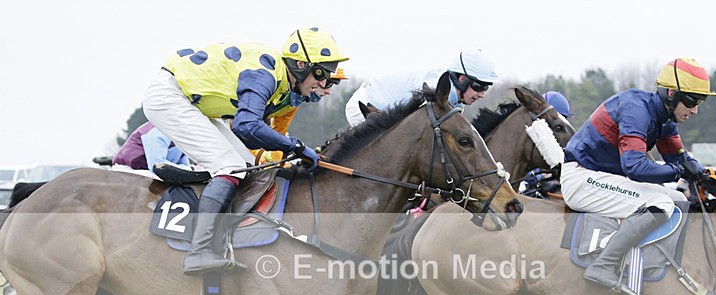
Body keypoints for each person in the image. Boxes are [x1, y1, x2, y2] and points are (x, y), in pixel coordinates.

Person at [143, 27, 348, 274]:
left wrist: (290, 152)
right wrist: (296, 146)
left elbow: (248, 137)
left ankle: (224, 234)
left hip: (197, 105)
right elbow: (247, 125)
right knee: (231, 166)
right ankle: (199, 252)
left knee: (246, 167)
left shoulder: (283, 88)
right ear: (299, 64)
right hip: (170, 95)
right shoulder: (266, 73)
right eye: (320, 73)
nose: (324, 83)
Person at [559, 58, 716, 295]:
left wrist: (708, 176)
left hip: (603, 178)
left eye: (700, 102)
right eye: (692, 101)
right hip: (582, 178)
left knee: (678, 199)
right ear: (672, 94)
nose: (695, 110)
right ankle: (604, 265)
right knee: (661, 204)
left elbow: (681, 159)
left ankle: (653, 268)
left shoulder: (665, 119)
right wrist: (680, 171)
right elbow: (635, 167)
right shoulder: (636, 109)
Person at [345, 49, 499, 127]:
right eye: (479, 86)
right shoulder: (437, 89)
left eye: (487, 88)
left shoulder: (454, 99)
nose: (482, 94)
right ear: (462, 79)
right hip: (366, 105)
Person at [112, 121, 189, 172]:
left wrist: (192, 170)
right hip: (128, 172)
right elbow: (158, 166)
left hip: (149, 173)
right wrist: (192, 170)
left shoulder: (182, 137)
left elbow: (184, 165)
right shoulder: (157, 130)